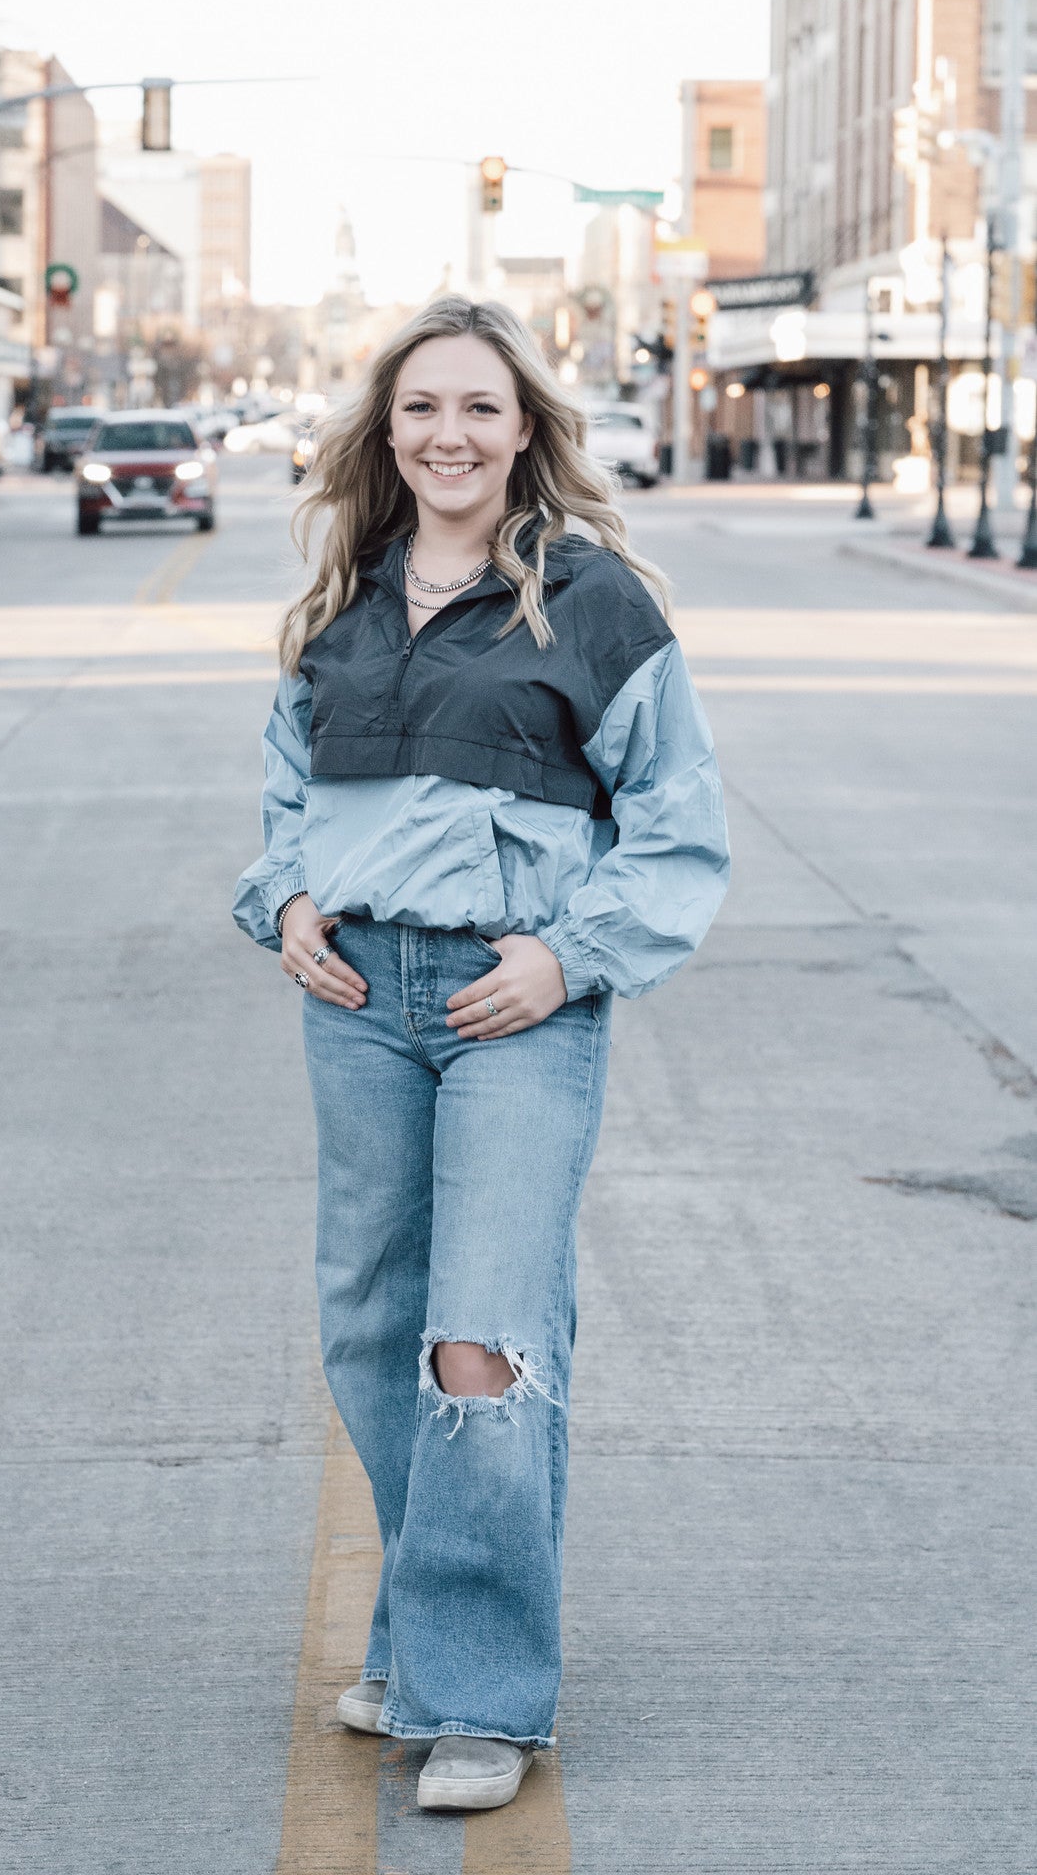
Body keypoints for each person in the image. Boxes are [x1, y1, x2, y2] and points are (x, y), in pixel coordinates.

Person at [233, 295, 729, 1813]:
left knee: (482, 1344)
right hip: (357, 1001)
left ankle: (483, 1701)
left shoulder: (599, 605)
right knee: (376, 1341)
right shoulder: (339, 610)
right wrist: (288, 904)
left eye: (480, 409)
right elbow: (281, 818)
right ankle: (422, 1632)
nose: (449, 434)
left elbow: (678, 836)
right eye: (422, 408)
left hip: (515, 1001)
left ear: (526, 435)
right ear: (386, 433)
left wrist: (564, 960)